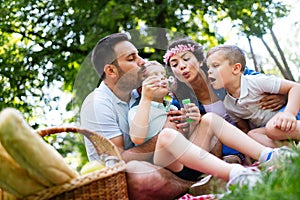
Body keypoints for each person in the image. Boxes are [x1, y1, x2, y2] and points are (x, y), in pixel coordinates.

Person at [128, 60, 293, 184]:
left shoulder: (171, 106)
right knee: (166, 136)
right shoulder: (138, 109)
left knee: (210, 119)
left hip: (192, 161)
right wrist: (146, 98)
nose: (161, 80)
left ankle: (268, 155)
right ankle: (236, 174)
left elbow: (186, 137)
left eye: (162, 76)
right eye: (153, 77)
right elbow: (137, 137)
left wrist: (193, 122)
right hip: (171, 167)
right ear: (141, 88)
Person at [80, 33, 197, 199]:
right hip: (126, 173)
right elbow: (117, 160)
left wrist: (181, 121)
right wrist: (164, 135)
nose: (142, 61)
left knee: (205, 125)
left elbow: (166, 114)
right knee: (139, 177)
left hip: (161, 161)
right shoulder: (97, 104)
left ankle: (203, 177)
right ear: (111, 71)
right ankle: (194, 187)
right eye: (131, 58)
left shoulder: (139, 92)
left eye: (138, 55)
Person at [163, 38, 287, 163]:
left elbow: (264, 82)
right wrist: (190, 124)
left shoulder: (224, 74)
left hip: (259, 130)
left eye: (186, 59)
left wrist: (283, 96)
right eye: (175, 64)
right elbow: (182, 134)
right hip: (226, 148)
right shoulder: (179, 100)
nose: (182, 66)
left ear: (200, 61)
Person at [206, 44, 300, 148]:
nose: (209, 71)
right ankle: (289, 151)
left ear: (236, 68)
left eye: (215, 65)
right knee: (251, 135)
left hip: (291, 117)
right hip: (270, 129)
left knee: (272, 129)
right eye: (208, 67)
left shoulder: (255, 82)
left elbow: (296, 88)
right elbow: (244, 130)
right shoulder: (229, 105)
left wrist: (289, 113)